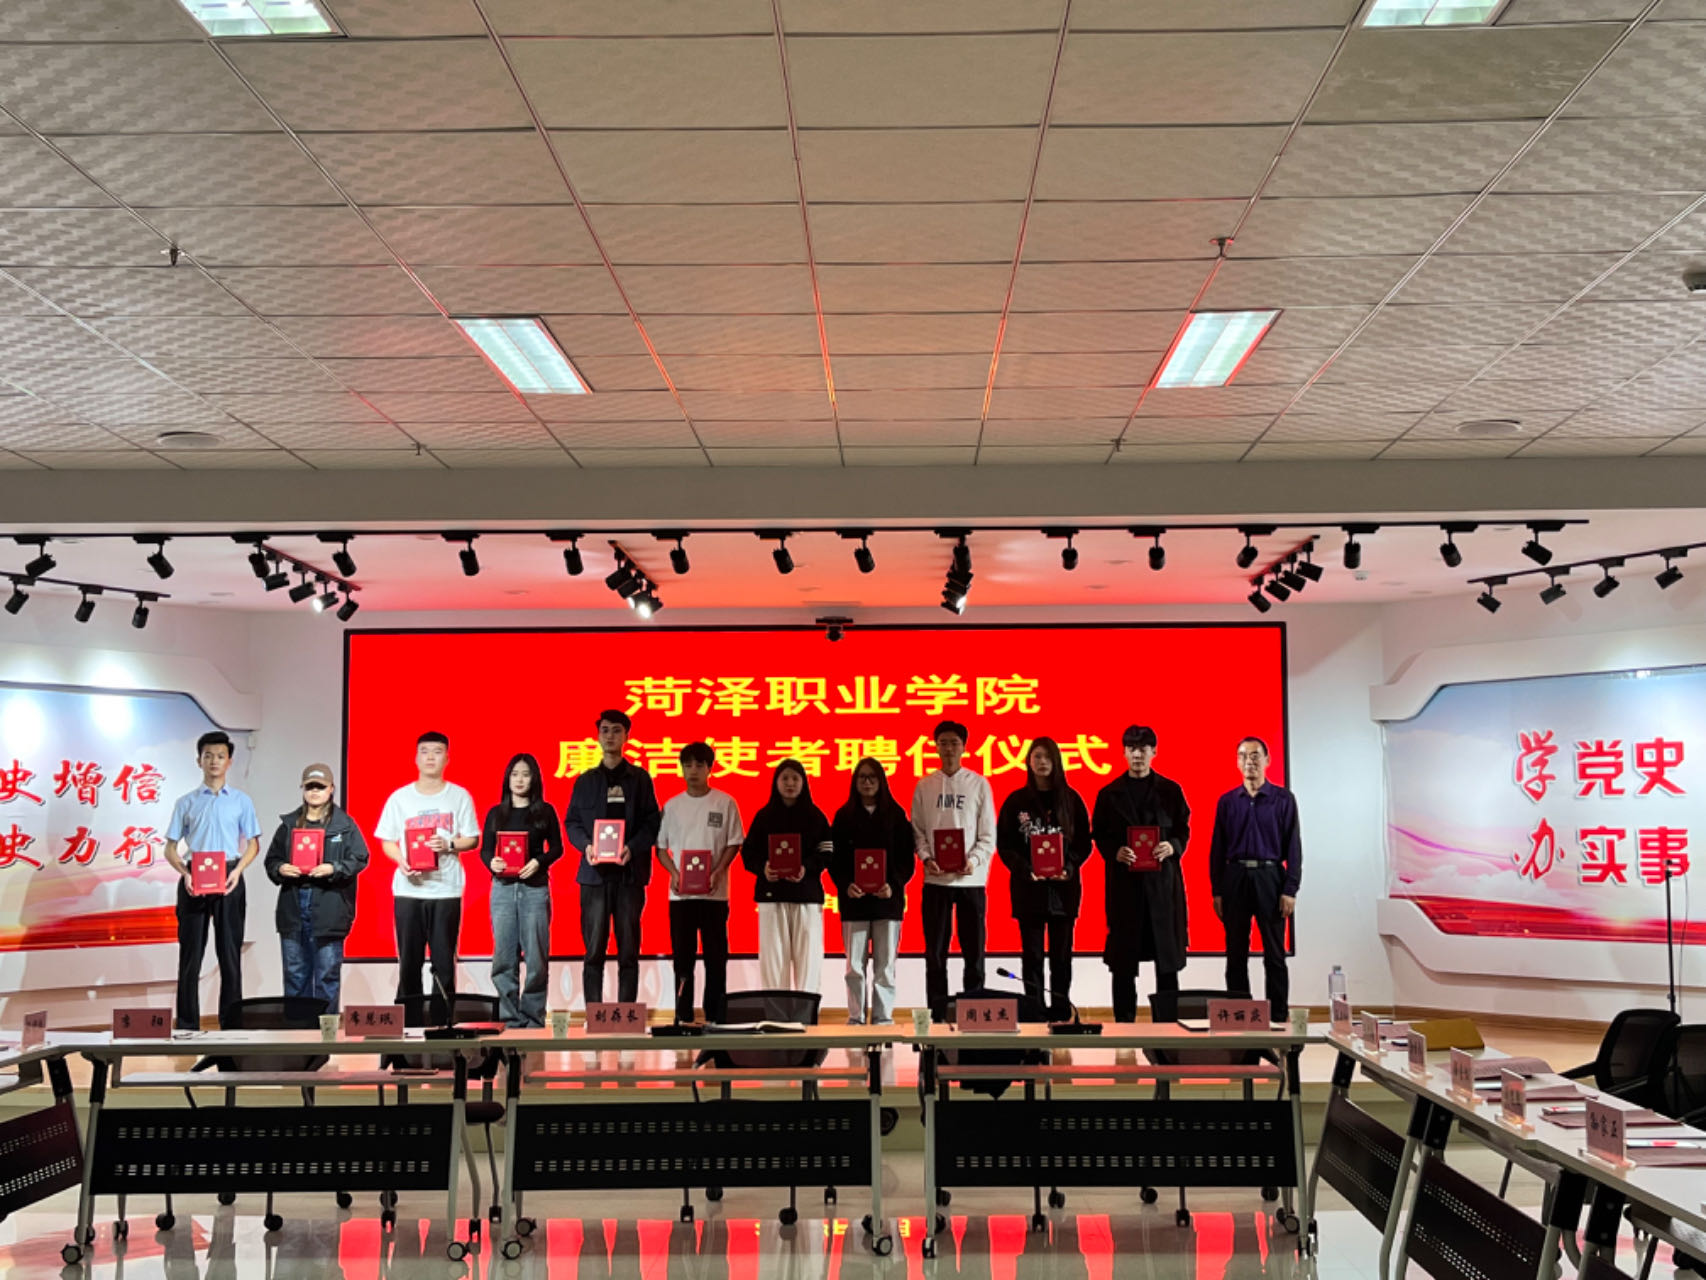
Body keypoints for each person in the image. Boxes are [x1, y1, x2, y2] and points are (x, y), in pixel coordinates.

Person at [375, 731, 481, 1022]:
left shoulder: (459, 796)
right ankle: (408, 1026)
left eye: (437, 751)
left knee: (444, 965)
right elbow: (387, 840)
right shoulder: (400, 798)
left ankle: (441, 1026)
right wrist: (400, 860)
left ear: (447, 758)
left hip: (446, 890)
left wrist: (448, 844)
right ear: (416, 758)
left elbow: (472, 838)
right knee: (408, 963)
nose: (430, 757)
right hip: (408, 891)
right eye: (424, 751)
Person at [1091, 725, 1190, 1024]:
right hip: (1125, 888)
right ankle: (1124, 1026)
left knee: (1167, 962)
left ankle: (1168, 1026)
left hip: (1162, 888)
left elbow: (1182, 829)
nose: (1137, 754)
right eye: (1132, 748)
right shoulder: (1109, 794)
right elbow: (1099, 834)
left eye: (1143, 749)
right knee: (1123, 964)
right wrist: (1115, 851)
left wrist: (1172, 846)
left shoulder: (1171, 791)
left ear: (1154, 752)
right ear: (1123, 752)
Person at [164, 731, 262, 1030]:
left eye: (220, 756)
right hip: (195, 876)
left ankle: (231, 1026)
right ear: (199, 761)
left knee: (229, 954)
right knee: (190, 956)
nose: (214, 761)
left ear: (229, 761)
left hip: (229, 876)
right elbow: (170, 848)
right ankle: (187, 1026)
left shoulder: (241, 801)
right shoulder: (186, 802)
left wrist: (238, 871)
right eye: (208, 756)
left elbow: (253, 844)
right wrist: (185, 874)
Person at [565, 710, 661, 1005]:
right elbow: (572, 823)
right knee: (593, 950)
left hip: (629, 876)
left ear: (626, 736)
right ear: (598, 736)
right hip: (594, 877)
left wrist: (633, 847)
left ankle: (626, 1015)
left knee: (628, 951)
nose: (610, 736)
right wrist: (586, 846)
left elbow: (652, 822)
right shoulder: (585, 781)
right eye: (605, 730)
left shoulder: (640, 779)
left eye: (616, 730)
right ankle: (594, 1013)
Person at [996, 737, 1092, 1022]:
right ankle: (1034, 1011)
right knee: (1033, 956)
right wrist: (1025, 869)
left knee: (1061, 957)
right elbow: (1005, 845)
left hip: (1064, 891)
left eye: (1047, 757)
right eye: (1037, 756)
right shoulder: (1016, 802)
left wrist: (1069, 867)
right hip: (1029, 890)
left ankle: (1061, 1010)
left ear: (1056, 762)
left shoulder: (1071, 800)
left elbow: (1084, 843)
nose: (1042, 762)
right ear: (1028, 761)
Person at [262, 763, 369, 1013]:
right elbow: (271, 860)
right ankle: (296, 1032)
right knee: (294, 976)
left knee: (327, 977)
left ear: (331, 789)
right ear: (302, 789)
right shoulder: (289, 824)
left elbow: (360, 857)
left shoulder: (345, 825)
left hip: (330, 907)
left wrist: (334, 868)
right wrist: (281, 868)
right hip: (293, 907)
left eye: (320, 787)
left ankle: (326, 1032)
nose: (314, 791)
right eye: (310, 786)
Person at [1209, 736, 1302, 1021]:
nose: (1249, 761)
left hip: (1270, 877)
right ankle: (1240, 1017)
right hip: (1235, 878)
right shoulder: (1227, 802)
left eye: (1254, 755)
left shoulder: (1283, 799)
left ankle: (1278, 1017)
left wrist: (1290, 889)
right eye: (1243, 755)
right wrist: (1217, 890)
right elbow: (1217, 849)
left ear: (1267, 760)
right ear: (1237, 762)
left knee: (1274, 953)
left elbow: (1294, 847)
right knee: (1235, 953)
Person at [911, 719, 997, 1019]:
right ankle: (937, 1014)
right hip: (935, 881)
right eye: (943, 742)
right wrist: (926, 858)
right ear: (935, 747)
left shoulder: (979, 784)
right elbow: (918, 831)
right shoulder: (925, 785)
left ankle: (974, 1013)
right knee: (935, 954)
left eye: (954, 743)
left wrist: (972, 861)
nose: (948, 748)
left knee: (974, 953)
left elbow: (988, 835)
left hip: (971, 881)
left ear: (964, 747)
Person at [656, 742, 744, 1023]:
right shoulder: (672, 806)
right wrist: (674, 873)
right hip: (681, 896)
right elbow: (661, 848)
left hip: (714, 895)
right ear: (681, 769)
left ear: (710, 768)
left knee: (716, 958)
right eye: (688, 765)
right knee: (683, 958)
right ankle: (683, 1014)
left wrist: (718, 870)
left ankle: (715, 1014)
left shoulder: (725, 802)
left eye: (699, 765)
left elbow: (734, 842)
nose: (693, 770)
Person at [828, 757, 916, 1025]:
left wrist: (894, 884)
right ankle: (856, 1018)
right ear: (855, 782)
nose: (867, 782)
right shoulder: (843, 816)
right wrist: (845, 884)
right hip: (853, 902)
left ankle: (882, 1018)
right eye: (862, 777)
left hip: (887, 902)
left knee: (885, 966)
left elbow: (907, 860)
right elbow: (834, 859)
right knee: (854, 967)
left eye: (872, 777)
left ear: (881, 781)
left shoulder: (896, 815)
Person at [480, 752, 563, 1028]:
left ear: (534, 779)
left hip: (534, 890)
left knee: (537, 958)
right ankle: (509, 1019)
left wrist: (539, 862)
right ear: (507, 778)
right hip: (503, 890)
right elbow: (485, 851)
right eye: (515, 774)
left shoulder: (545, 811)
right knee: (504, 958)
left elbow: (557, 848)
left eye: (525, 774)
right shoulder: (496, 813)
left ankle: (533, 1018)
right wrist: (492, 863)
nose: (519, 780)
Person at [741, 758, 833, 993]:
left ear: (804, 782)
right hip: (772, 897)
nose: (790, 783)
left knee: (809, 959)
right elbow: (748, 852)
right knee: (773, 961)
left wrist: (806, 868)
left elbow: (827, 852)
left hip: (806, 897)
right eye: (785, 778)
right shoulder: (764, 816)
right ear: (776, 782)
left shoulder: (816, 816)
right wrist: (763, 868)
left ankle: (807, 1010)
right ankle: (776, 1011)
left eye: (795, 778)